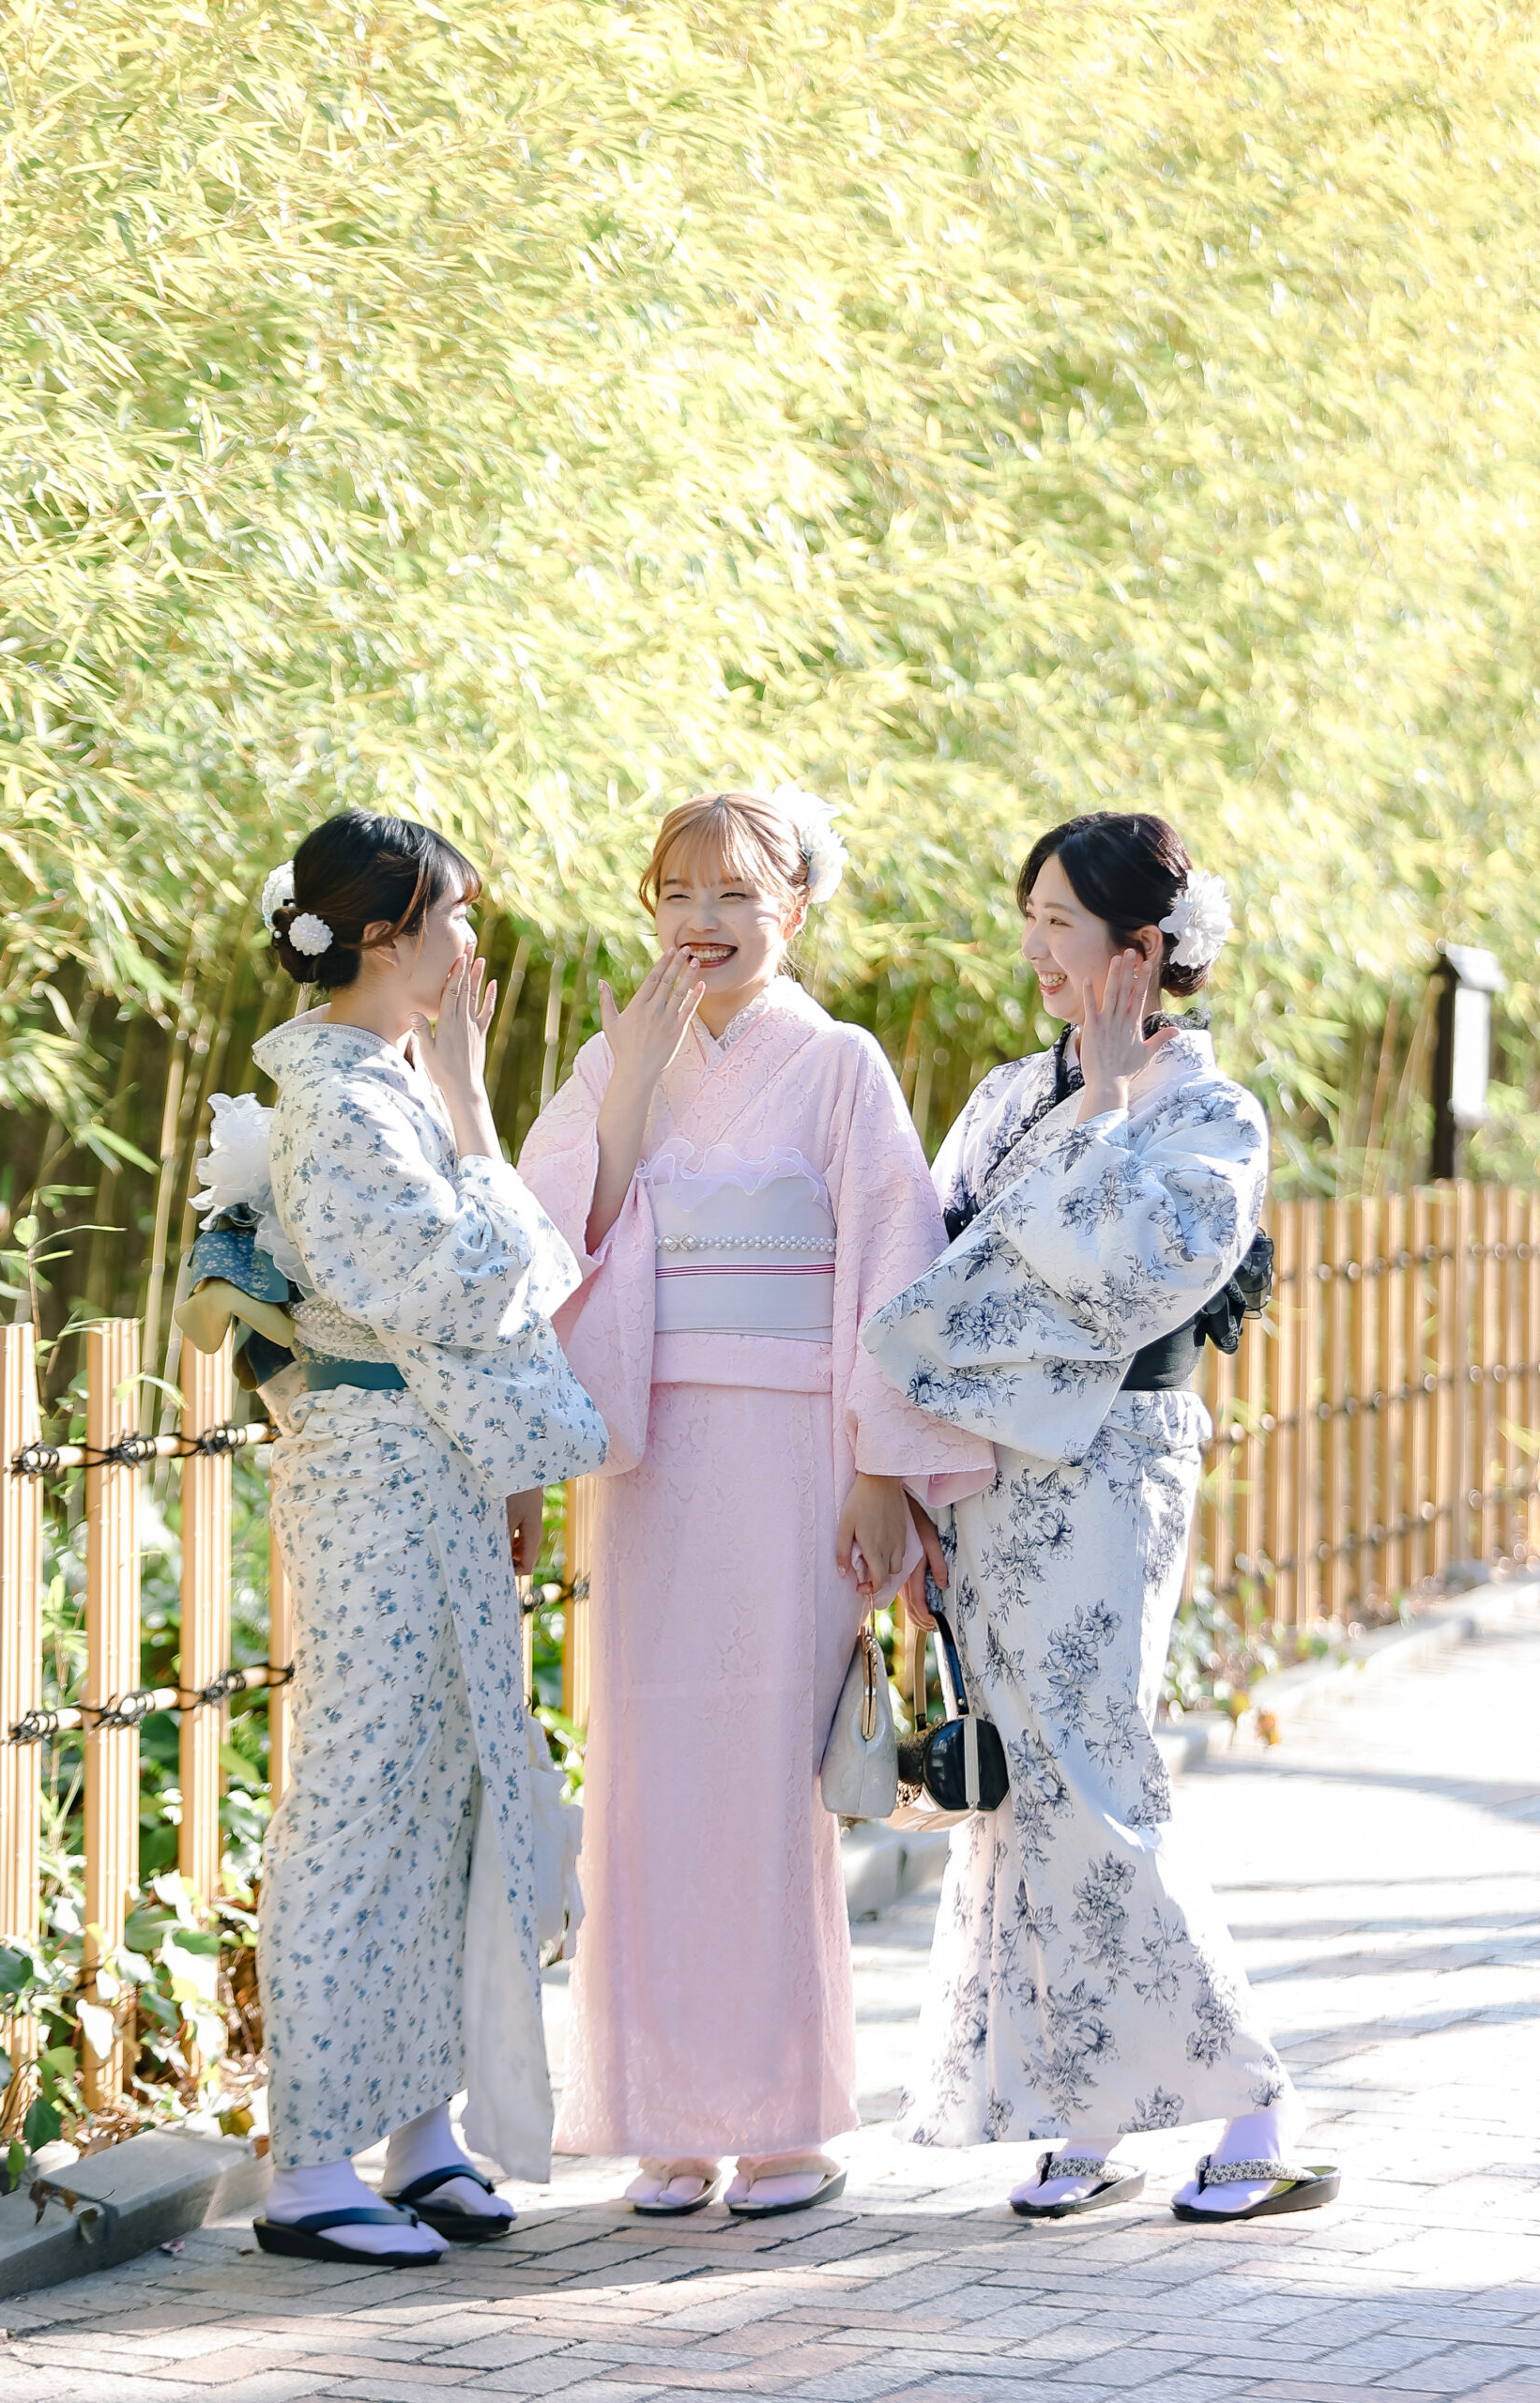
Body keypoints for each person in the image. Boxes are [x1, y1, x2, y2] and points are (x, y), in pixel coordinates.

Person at [518, 787, 993, 2219]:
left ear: (794, 906)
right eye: (678, 893)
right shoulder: (616, 1054)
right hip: (654, 1451)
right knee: (651, 1777)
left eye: (735, 893)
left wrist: (880, 1466)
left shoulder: (841, 1064)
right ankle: (666, 2121)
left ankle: (782, 2121)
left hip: (792, 1451)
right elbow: (546, 1237)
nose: (703, 921)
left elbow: (895, 1262)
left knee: (771, 1785)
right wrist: (630, 1088)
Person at [862, 811, 1339, 2226]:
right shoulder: (1009, 1094)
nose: (1034, 947)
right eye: (1031, 917)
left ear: (1142, 949)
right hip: (985, 1477)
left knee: (1095, 1776)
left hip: (1108, 1464)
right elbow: (934, 1269)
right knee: (1020, 1797)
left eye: (1060, 922)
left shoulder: (1210, 1110)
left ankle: (1257, 2105)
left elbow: (1133, 1276)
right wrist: (919, 1444)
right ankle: (1088, 2103)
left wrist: (1110, 1117)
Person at [206, 811, 606, 2267]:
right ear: (385, 937)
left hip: (424, 1465)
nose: (472, 943)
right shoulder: (341, 1099)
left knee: (444, 1790)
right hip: (374, 1471)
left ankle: (417, 2131)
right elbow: (460, 1283)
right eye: (456, 916)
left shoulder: (383, 1081)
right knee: (364, 1790)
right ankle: (310, 2159)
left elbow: (494, 1283)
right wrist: (482, 1119)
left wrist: (467, 1107)